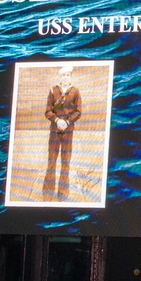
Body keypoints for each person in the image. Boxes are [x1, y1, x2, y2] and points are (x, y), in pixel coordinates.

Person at [43, 65, 82, 201]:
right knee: (52, 161)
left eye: (68, 75)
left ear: (71, 76)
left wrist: (67, 122)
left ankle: (63, 193)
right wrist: (56, 120)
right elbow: (48, 111)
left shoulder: (75, 91)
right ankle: (48, 192)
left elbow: (78, 112)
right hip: (54, 130)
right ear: (60, 77)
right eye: (63, 75)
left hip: (68, 131)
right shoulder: (53, 91)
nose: (66, 77)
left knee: (66, 162)